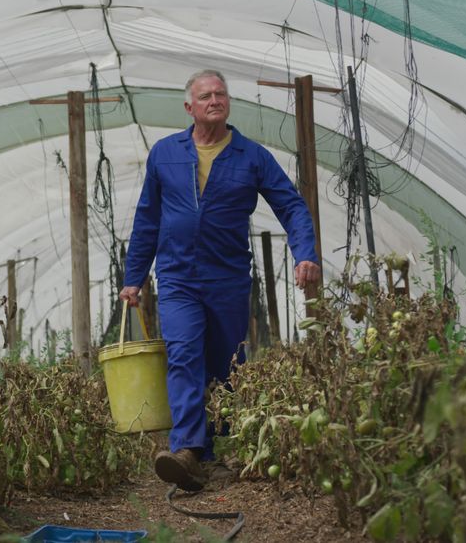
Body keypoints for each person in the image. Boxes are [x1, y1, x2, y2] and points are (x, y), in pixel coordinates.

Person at [120, 69, 321, 491]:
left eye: (221, 94)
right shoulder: (165, 153)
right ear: (189, 107)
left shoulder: (252, 157)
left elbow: (292, 208)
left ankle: (216, 450)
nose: (215, 100)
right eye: (206, 95)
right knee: (183, 353)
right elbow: (147, 219)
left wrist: (305, 254)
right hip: (176, 276)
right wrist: (133, 277)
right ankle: (187, 448)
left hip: (227, 278)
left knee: (226, 364)